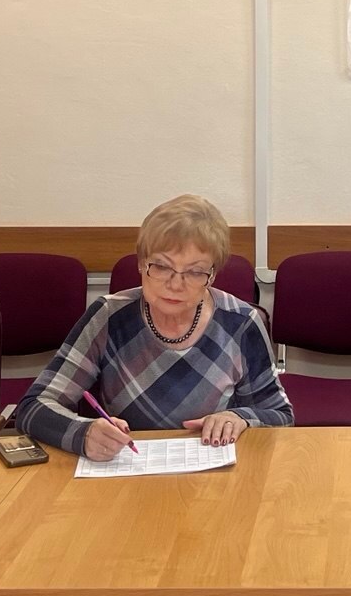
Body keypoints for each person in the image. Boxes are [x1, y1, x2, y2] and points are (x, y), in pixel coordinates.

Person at [16, 195, 292, 460]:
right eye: (161, 266)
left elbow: (280, 414)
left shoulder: (241, 322)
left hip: (210, 471)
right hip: (125, 466)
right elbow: (33, 407)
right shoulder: (108, 316)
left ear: (212, 276)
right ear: (141, 263)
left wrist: (239, 418)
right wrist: (83, 432)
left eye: (195, 271)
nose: (175, 284)